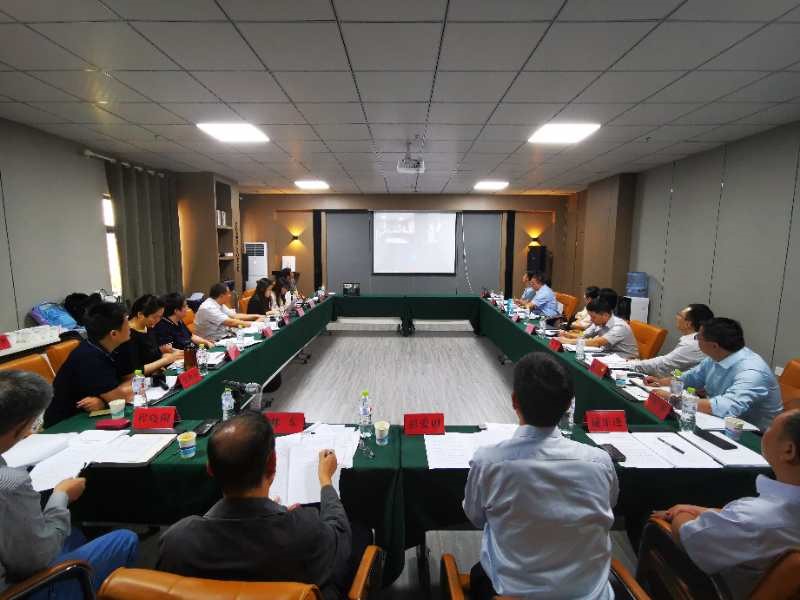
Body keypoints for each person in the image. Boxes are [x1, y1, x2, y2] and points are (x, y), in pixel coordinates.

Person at [156, 414, 366, 600]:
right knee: (360, 533)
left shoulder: (176, 541)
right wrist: (325, 480)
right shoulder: (305, 530)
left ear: (210, 469)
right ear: (273, 463)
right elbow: (340, 537)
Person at [463, 353, 618, 599]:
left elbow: (476, 518)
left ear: (514, 401)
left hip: (510, 593)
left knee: (479, 573)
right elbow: (608, 506)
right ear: (568, 405)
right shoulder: (600, 462)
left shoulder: (488, 461)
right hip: (591, 595)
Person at [0, 371, 138, 596]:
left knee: (74, 534)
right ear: (19, 426)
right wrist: (61, 495)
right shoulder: (10, 483)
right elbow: (35, 560)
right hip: (18, 590)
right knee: (124, 539)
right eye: (32, 422)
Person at [652, 408, 800, 599]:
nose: (766, 431)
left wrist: (681, 512)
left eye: (770, 427)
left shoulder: (756, 517)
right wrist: (704, 511)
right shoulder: (759, 515)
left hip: (720, 591)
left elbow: (689, 536)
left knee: (650, 524)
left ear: (789, 450)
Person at [645, 318, 782, 431]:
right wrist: (660, 382)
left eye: (698, 337)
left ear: (714, 346)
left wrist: (673, 399)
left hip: (754, 435)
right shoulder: (717, 356)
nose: (696, 340)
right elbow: (691, 377)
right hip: (719, 422)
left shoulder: (752, 372)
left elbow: (727, 407)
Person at [45, 302, 133, 427]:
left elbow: (130, 381)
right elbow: (119, 399)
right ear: (113, 334)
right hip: (67, 424)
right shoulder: (90, 357)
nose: (130, 326)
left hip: (89, 415)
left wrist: (103, 401)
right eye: (127, 322)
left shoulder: (105, 347)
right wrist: (107, 401)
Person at [628, 304, 714, 376]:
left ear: (688, 324)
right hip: (678, 378)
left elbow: (664, 364)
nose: (676, 317)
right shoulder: (693, 341)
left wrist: (632, 364)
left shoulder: (692, 344)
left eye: (679, 315)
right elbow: (673, 367)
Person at [560, 298, 639, 359]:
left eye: (593, 317)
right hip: (608, 355)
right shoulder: (598, 322)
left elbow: (597, 342)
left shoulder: (619, 326)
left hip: (625, 360)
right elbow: (584, 335)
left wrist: (568, 341)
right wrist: (568, 335)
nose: (591, 320)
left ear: (605, 315)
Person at [124, 294, 182, 375]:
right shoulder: (127, 335)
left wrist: (162, 352)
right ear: (140, 315)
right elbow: (136, 371)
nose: (158, 321)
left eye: (160, 317)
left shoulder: (148, 326)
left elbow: (150, 354)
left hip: (158, 372)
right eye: (154, 317)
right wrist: (165, 360)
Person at [194, 283, 264, 342]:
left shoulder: (219, 303)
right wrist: (256, 324)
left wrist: (257, 316)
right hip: (213, 341)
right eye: (228, 294)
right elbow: (231, 322)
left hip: (224, 336)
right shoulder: (208, 308)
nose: (230, 296)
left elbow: (235, 316)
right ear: (221, 296)